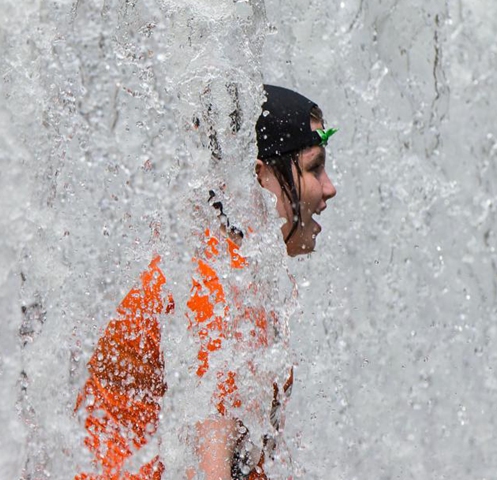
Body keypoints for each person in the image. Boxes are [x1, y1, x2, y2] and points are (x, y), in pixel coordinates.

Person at [74, 85, 338, 480]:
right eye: (314, 167)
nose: (329, 187)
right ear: (260, 176)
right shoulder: (218, 289)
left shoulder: (224, 265)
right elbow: (211, 464)